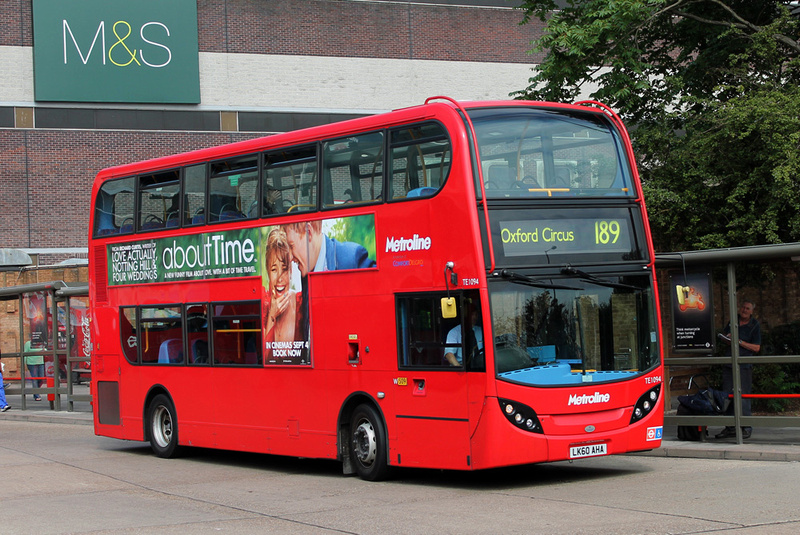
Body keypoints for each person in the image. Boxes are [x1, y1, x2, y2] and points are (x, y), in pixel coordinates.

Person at [283, 220, 376, 343]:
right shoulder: (306, 274)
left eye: (291, 246)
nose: (289, 258)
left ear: (309, 233)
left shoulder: (352, 258)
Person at [716, 300, 761, 439]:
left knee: (744, 395)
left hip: (744, 365)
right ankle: (730, 427)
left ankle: (746, 427)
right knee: (727, 395)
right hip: (729, 363)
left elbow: (756, 347)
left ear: (752, 311)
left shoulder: (755, 326)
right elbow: (725, 337)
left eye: (748, 308)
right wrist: (727, 338)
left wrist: (740, 342)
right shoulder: (733, 321)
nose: (744, 310)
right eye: (743, 307)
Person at [262, 228, 303, 361]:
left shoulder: (302, 304)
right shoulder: (263, 306)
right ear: (268, 272)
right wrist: (272, 316)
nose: (279, 278)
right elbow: (264, 360)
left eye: (284, 269)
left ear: (291, 271)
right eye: (274, 269)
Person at [444, 302, 484, 367]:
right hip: (462, 366)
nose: (474, 317)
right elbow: (449, 354)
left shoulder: (481, 330)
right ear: (466, 315)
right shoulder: (454, 332)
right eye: (472, 314)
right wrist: (459, 368)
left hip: (480, 366)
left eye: (476, 314)